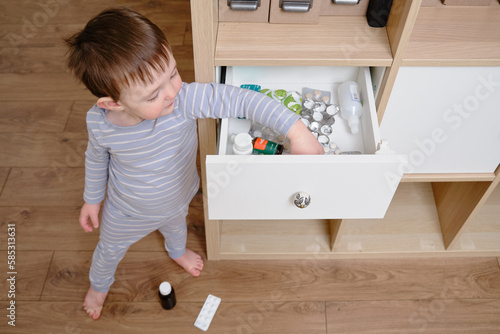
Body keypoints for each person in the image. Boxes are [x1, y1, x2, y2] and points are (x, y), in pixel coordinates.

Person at [64, 7, 323, 320]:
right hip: (125, 210)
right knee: (108, 251)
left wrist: (297, 131)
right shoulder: (100, 122)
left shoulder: (184, 101)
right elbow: (96, 157)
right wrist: (92, 199)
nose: (173, 90)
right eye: (152, 94)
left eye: (172, 73)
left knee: (177, 228)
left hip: (178, 197)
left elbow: (241, 100)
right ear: (112, 103)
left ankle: (177, 252)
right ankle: (99, 286)